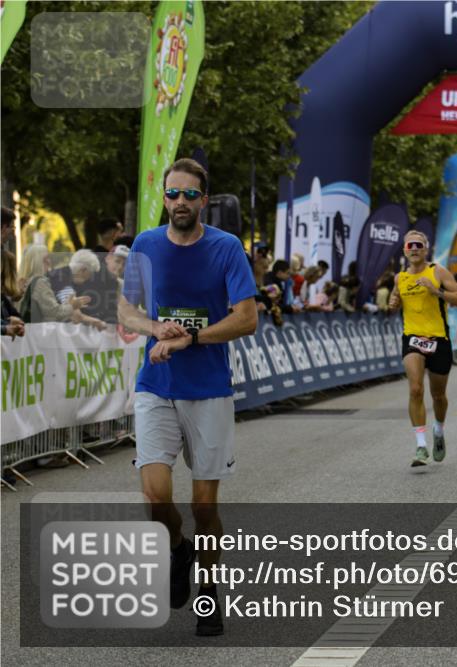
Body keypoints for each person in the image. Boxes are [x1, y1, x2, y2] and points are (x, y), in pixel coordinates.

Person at [118, 158, 258, 637]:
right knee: (156, 498)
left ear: (204, 200)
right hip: (156, 386)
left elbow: (246, 318)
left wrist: (190, 339)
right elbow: (125, 309)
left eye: (190, 195)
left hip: (209, 390)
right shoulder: (146, 245)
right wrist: (155, 327)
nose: (180, 203)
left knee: (204, 507)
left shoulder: (226, 249)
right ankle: (178, 550)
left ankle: (208, 592)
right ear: (164, 197)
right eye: (173, 194)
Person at [387, 230, 457, 467]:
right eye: (410, 245)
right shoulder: (399, 278)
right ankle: (421, 446)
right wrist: (393, 303)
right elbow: (394, 299)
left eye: (418, 245)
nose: (414, 249)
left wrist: (437, 292)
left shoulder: (437, 271)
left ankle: (439, 430)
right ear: (404, 250)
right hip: (412, 338)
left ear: (425, 249)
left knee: (438, 395)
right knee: (415, 389)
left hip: (439, 339)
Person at [16, 245, 101, 326]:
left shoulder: (24, 282)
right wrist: (73, 306)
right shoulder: (42, 282)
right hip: (38, 335)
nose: (49, 262)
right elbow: (55, 313)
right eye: (46, 259)